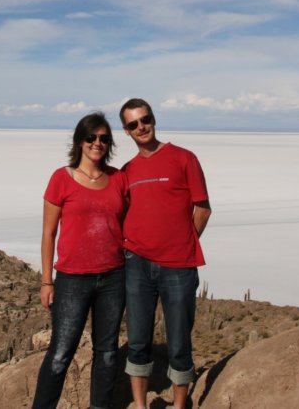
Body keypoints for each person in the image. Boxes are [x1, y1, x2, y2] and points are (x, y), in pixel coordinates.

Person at [119, 98, 212, 409]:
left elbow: (202, 208)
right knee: (138, 339)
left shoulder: (184, 158)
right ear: (126, 131)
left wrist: (183, 241)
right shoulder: (127, 170)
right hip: (137, 264)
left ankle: (180, 404)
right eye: (133, 124)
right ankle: (140, 405)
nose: (141, 127)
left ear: (153, 120)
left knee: (179, 341)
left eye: (144, 120)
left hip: (178, 265)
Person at [32, 112, 128, 409]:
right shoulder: (61, 178)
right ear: (79, 140)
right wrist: (47, 281)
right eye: (91, 137)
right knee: (60, 353)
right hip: (72, 278)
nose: (97, 143)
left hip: (113, 276)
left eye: (103, 138)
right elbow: (48, 233)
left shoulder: (118, 179)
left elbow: (128, 223)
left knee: (108, 352)